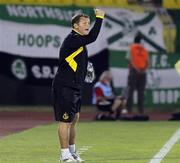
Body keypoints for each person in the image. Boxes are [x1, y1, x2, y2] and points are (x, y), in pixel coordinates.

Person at [52, 9, 105, 162]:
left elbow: (76, 61)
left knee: (74, 119)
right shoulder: (72, 39)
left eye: (89, 23)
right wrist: (100, 18)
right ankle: (64, 154)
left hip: (75, 86)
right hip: (65, 86)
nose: (87, 25)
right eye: (84, 23)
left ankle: (72, 152)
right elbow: (93, 37)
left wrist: (84, 70)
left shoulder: (79, 42)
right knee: (65, 120)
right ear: (75, 26)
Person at [126, 33, 149, 117]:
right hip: (142, 72)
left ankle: (129, 110)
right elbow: (147, 61)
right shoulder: (144, 49)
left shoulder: (131, 48)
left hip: (134, 71)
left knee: (131, 91)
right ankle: (141, 111)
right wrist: (144, 69)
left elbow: (130, 60)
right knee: (141, 92)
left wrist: (136, 69)